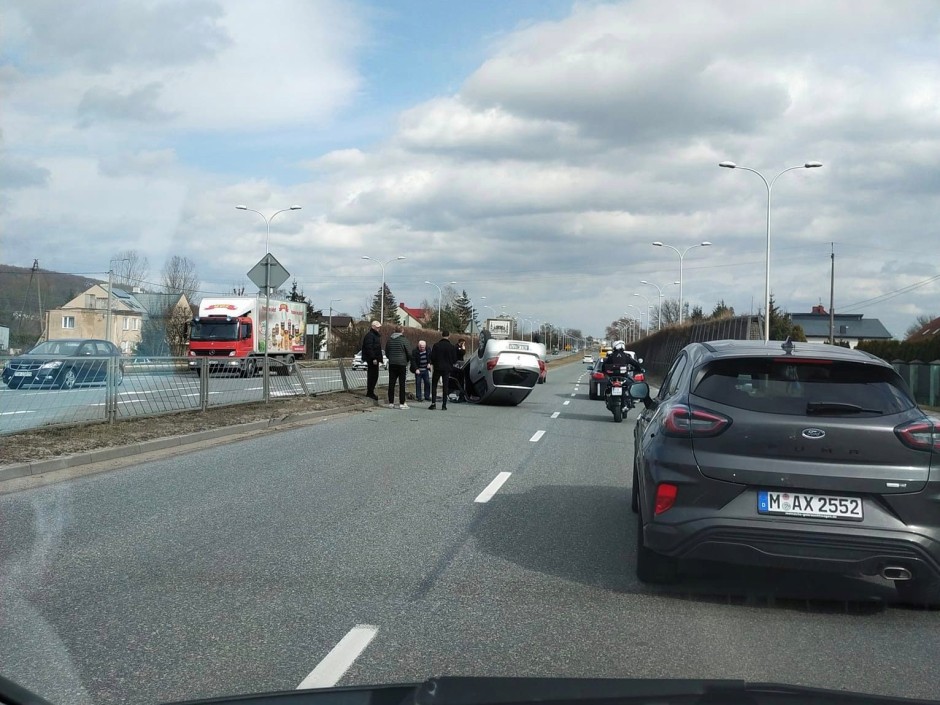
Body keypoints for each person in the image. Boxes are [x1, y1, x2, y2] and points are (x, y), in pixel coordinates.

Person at [428, 330, 457, 410]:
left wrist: (433, 363)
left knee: (434, 385)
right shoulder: (452, 347)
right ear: (449, 336)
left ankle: (433, 403)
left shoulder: (436, 345)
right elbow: (454, 359)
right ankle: (444, 405)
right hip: (447, 369)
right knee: (445, 386)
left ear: (442, 335)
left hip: (437, 368)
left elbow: (432, 357)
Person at [385, 325, 412, 409]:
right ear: (402, 331)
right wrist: (407, 360)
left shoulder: (389, 340)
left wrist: (391, 358)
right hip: (402, 364)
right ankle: (402, 403)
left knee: (391, 383)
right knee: (402, 384)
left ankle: (391, 403)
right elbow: (409, 353)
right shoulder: (404, 340)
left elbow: (387, 352)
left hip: (392, 363)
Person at [361, 320, 383, 402]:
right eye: (377, 327)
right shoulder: (370, 336)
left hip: (375, 359)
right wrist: (373, 358)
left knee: (374, 376)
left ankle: (371, 391)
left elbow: (376, 347)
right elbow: (369, 348)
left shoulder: (375, 335)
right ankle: (370, 392)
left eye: (379, 327)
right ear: (373, 327)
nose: (378, 328)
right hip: (372, 359)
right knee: (372, 376)